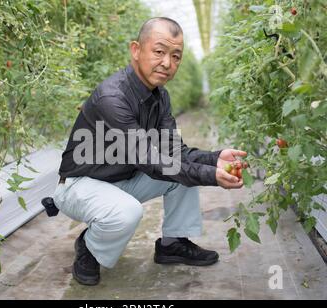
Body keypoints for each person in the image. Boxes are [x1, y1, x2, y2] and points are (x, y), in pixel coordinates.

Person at [54, 17, 246, 286]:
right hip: (81, 185)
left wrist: (215, 158)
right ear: (136, 50)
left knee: (181, 173)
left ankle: (172, 243)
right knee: (128, 211)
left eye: (176, 56)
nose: (167, 63)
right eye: (159, 51)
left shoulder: (160, 96)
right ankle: (89, 247)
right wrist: (211, 174)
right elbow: (149, 160)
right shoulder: (113, 97)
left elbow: (174, 152)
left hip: (121, 180)